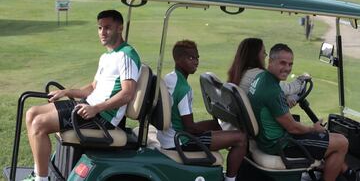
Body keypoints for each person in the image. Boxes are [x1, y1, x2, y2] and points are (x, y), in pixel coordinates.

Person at [24, 10, 141, 181]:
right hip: (88, 106)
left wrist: (95, 108)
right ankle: (37, 172)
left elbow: (127, 94)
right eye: (100, 28)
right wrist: (66, 92)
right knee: (31, 113)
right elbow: (92, 88)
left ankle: (41, 180)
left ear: (120, 28)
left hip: (102, 117)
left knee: (39, 124)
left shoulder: (126, 55)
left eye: (107, 27)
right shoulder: (107, 56)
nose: (102, 32)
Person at [247, 43, 356, 181]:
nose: (287, 68)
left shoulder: (261, 78)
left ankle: (347, 173)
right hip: (281, 144)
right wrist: (314, 129)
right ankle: (346, 173)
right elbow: (293, 128)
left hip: (269, 138)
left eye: (290, 64)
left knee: (327, 140)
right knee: (341, 142)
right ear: (271, 61)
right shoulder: (272, 91)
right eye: (282, 63)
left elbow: (276, 111)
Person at [157, 40, 247, 181]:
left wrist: (216, 128)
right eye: (191, 58)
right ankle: (230, 179)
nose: (196, 62)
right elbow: (190, 128)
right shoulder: (183, 89)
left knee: (218, 126)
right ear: (178, 59)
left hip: (169, 136)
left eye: (197, 58)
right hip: (181, 141)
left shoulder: (170, 78)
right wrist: (212, 131)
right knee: (241, 138)